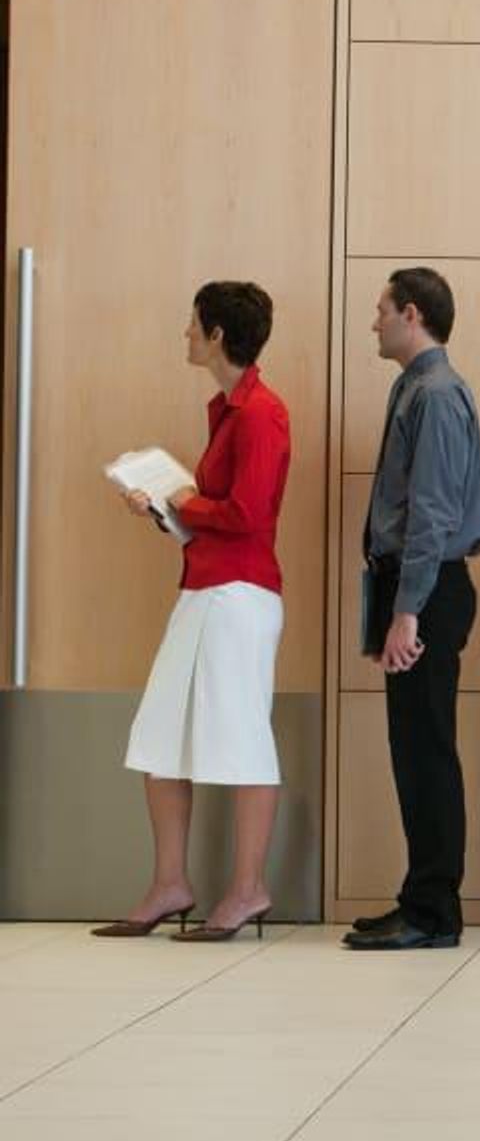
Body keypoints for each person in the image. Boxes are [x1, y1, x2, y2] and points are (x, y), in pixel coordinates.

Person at [98, 282, 291, 942]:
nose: (185, 334)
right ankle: (170, 883)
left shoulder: (261, 413)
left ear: (216, 335)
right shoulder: (231, 411)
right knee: (161, 733)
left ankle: (249, 888)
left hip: (238, 595)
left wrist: (183, 499)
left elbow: (248, 515)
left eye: (192, 324)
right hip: (207, 587)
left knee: (243, 738)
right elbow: (215, 516)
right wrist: (165, 508)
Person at [345, 267, 480, 951]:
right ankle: (420, 898)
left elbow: (431, 514)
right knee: (413, 749)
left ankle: (434, 912)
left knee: (426, 750)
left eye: (381, 310)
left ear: (412, 314)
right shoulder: (415, 387)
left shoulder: (434, 394)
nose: (373, 322)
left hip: (427, 591)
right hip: (413, 587)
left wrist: (408, 612)